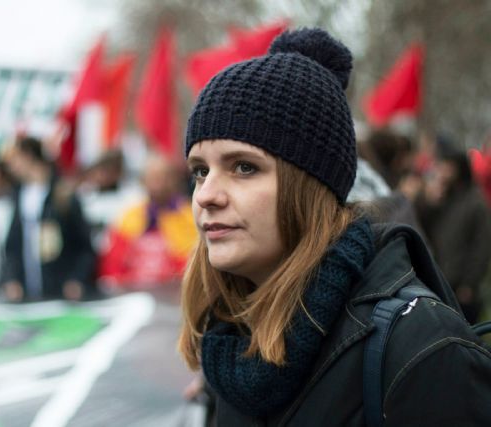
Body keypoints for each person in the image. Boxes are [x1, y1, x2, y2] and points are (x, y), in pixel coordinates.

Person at [177, 28, 491, 426]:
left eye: (244, 167)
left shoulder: (421, 349)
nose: (206, 195)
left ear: (310, 185)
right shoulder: (229, 341)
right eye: (200, 171)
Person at [2, 136, 96, 301]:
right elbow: (12, 245)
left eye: (14, 160)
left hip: (61, 292)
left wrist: (76, 279)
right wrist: (12, 278)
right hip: (28, 294)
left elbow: (84, 245)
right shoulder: (17, 195)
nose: (11, 167)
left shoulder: (62, 194)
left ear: (28, 156)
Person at [414, 139, 491, 323]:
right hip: (436, 280)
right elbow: (420, 224)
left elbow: (482, 246)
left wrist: (469, 283)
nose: (442, 170)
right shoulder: (440, 196)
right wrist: (429, 201)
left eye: (446, 165)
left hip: (460, 286)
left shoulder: (475, 201)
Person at [98, 155, 197, 290]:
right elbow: (112, 265)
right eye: (153, 178)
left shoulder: (188, 216)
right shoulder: (129, 216)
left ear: (174, 180)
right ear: (143, 181)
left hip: (172, 292)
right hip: (132, 292)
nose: (158, 183)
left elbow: (191, 266)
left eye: (163, 177)